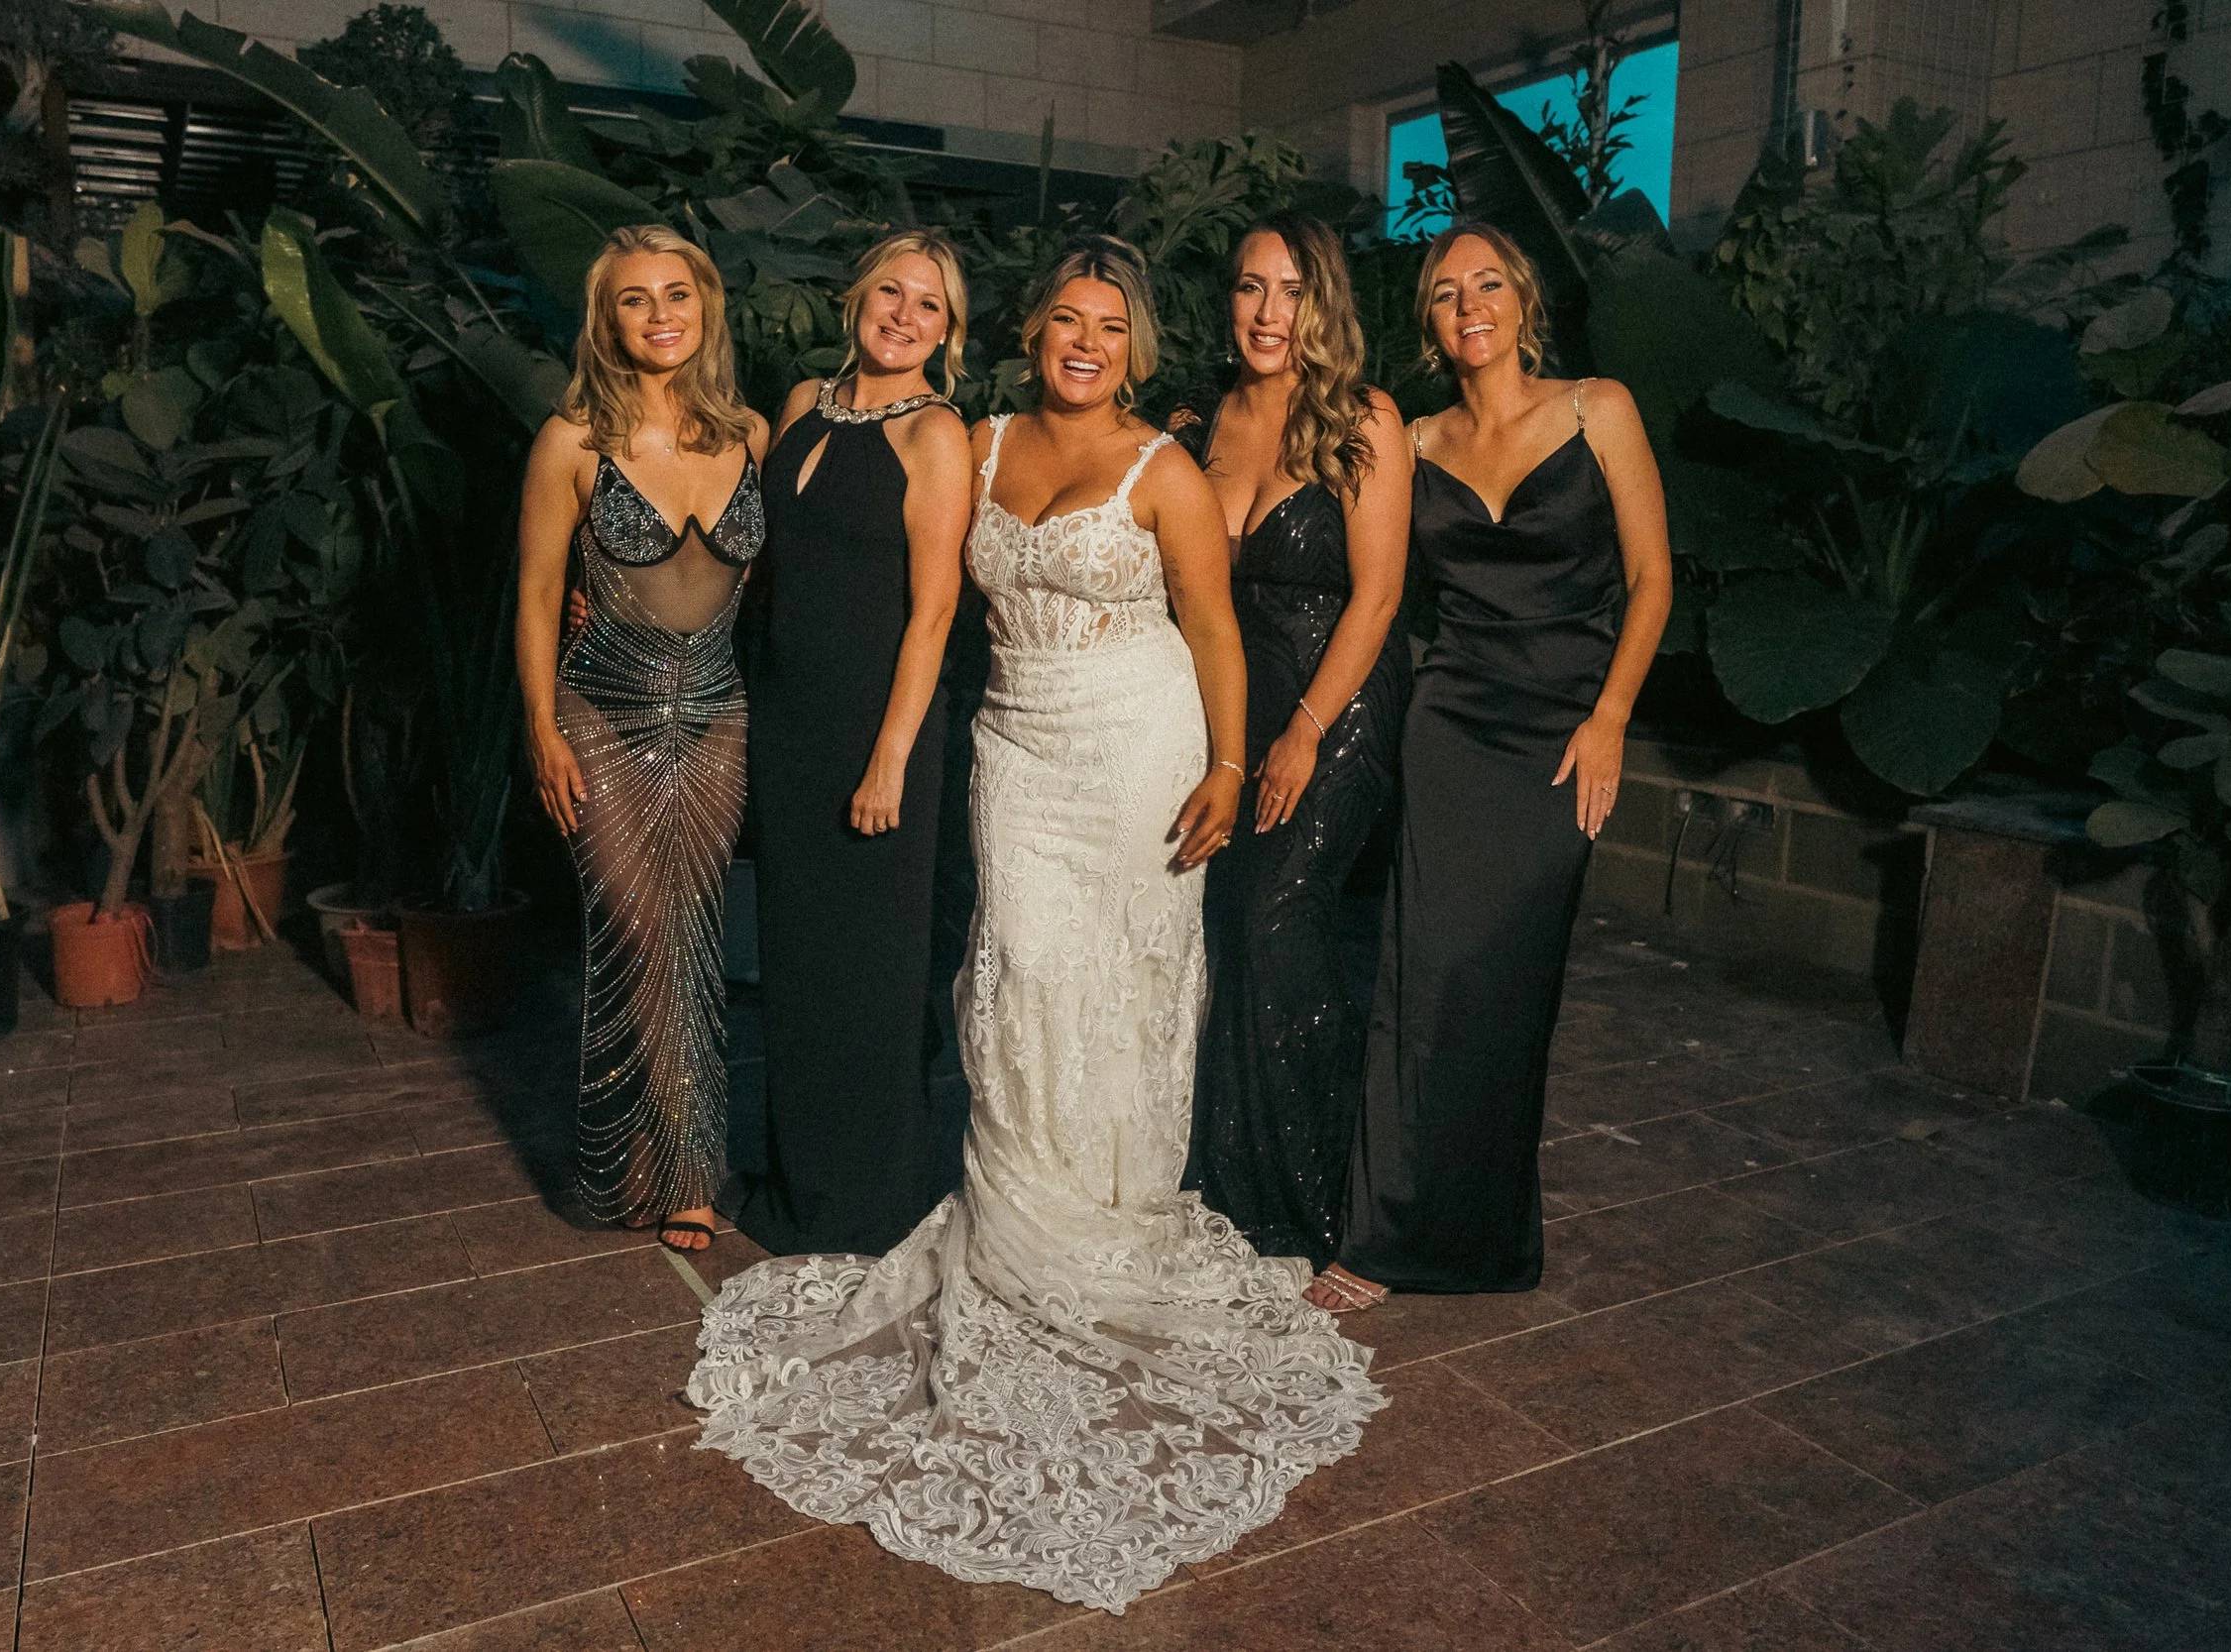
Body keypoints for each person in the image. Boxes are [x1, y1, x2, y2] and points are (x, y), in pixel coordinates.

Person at [687, 235, 1383, 1613]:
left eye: (1110, 326)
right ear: (1029, 332)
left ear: (1137, 347)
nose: (1085, 341)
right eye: (1066, 318)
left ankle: (1107, 1215)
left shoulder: (1163, 469)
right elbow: (910, 587)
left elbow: (1215, 629)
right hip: (1015, 744)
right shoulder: (981, 438)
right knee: (1020, 971)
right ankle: (1017, 1209)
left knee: (1117, 978)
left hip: (1137, 743)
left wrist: (1229, 765)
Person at [1306, 222, 1673, 1314]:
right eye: (1445, 292)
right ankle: (1383, 1231)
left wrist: (1610, 717)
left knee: (1511, 983)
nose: (1469, 305)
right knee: (1419, 978)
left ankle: (1482, 1237)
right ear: (1430, 321)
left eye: (1488, 284)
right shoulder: (1413, 439)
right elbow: (1361, 562)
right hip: (1452, 725)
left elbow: (1653, 579)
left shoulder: (1598, 409)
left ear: (1522, 300)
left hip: (1563, 734)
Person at [514, 224, 768, 1252]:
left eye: (677, 294)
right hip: (600, 715)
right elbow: (538, 595)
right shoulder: (571, 442)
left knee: (694, 929)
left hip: (715, 717)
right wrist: (542, 728)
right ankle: (687, 1165)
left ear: (706, 307)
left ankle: (654, 1158)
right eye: (635, 298)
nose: (660, 314)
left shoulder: (752, 432)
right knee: (637, 927)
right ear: (605, 319)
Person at [727, 230, 973, 1258]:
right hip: (788, 718)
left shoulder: (937, 435)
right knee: (797, 962)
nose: (903, 315)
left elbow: (934, 610)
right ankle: (800, 1182)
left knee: (871, 975)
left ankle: (867, 1202)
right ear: (856, 299)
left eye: (929, 304)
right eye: (890, 292)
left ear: (948, 332)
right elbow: (761, 567)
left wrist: (890, 758)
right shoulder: (799, 404)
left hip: (879, 727)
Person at [1177, 213, 1409, 1268]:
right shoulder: (1201, 422)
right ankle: (1226, 1189)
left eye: (1291, 290)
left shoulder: (1365, 419)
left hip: (1338, 705)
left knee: (1279, 920)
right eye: (1249, 288)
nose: (1269, 313)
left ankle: (1319, 1203)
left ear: (1324, 302)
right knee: (1226, 929)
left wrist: (1307, 731)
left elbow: (1379, 596)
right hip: (1233, 710)